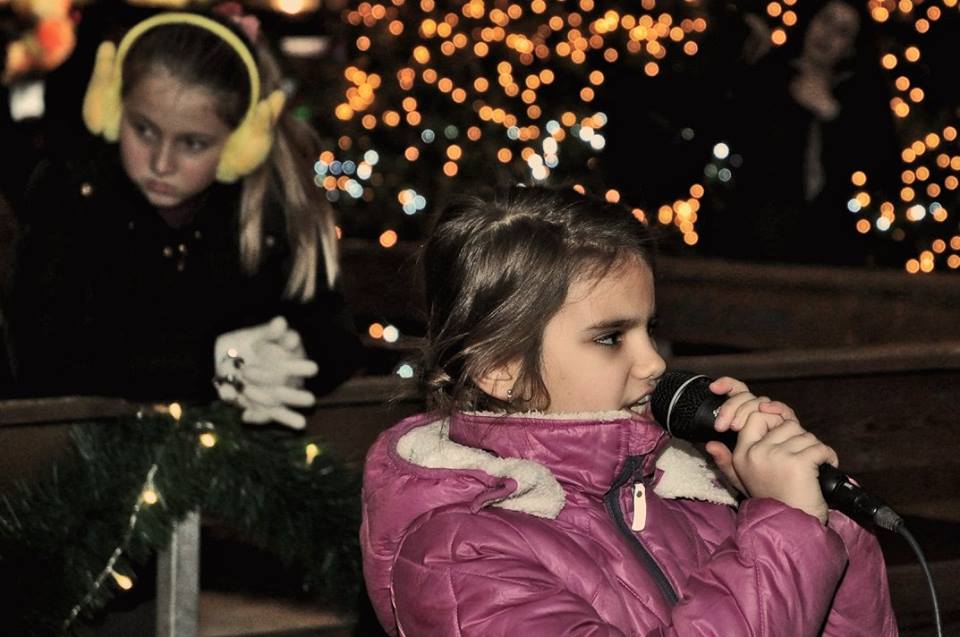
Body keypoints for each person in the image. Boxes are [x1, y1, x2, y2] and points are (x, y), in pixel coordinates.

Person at [360, 185, 898, 635]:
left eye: (650, 330)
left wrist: (818, 509)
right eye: (611, 337)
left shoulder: (693, 495)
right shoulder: (458, 553)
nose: (652, 364)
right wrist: (789, 529)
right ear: (501, 368)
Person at [2, 7, 362, 428]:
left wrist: (290, 357)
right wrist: (210, 362)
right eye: (145, 130)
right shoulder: (67, 197)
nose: (161, 162)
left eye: (193, 143)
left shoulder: (270, 211)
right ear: (113, 109)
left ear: (243, 143)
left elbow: (337, 340)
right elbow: (46, 357)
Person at [699, 0, 902, 266]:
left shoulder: (860, 99)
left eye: (842, 31)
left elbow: (881, 167)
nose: (828, 35)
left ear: (852, 47)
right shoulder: (769, 76)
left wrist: (831, 114)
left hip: (829, 246)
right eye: (826, 21)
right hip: (756, 240)